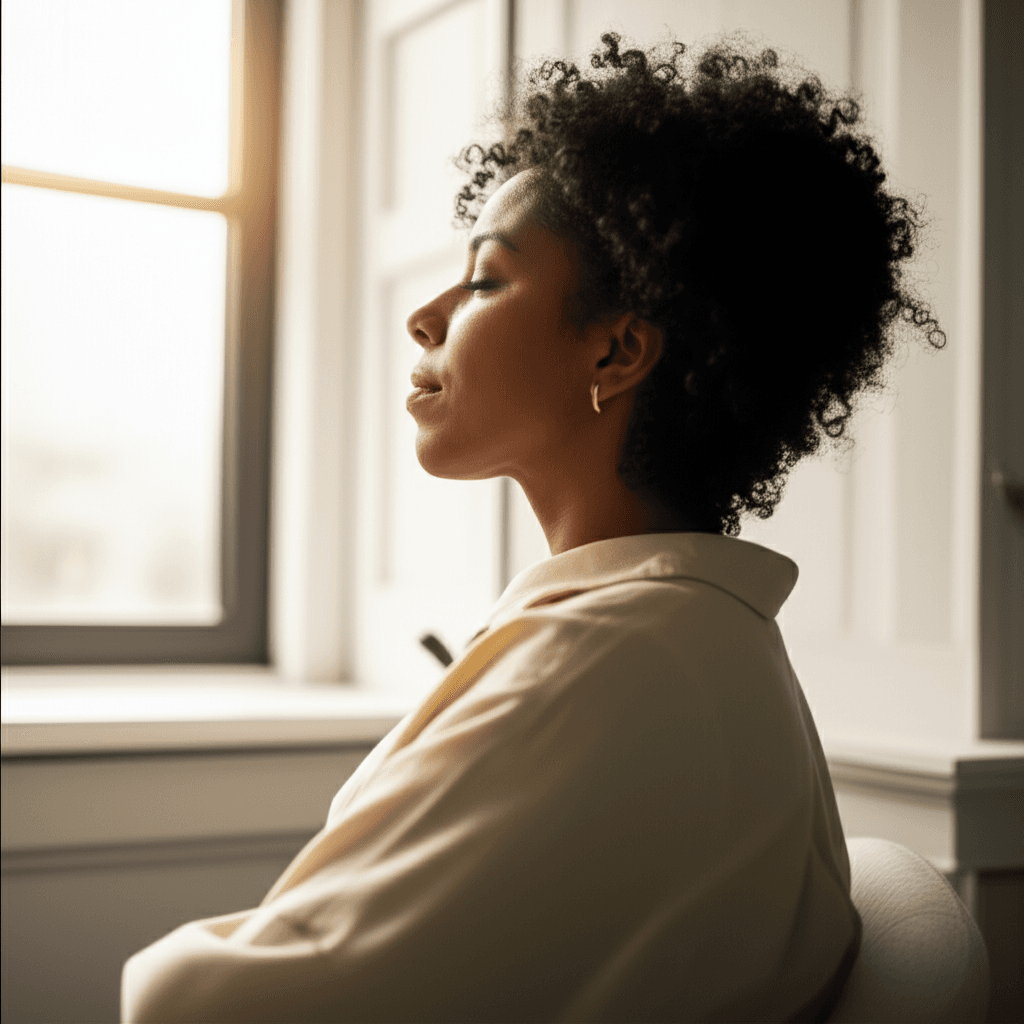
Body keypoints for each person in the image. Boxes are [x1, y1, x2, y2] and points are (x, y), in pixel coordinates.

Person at [122, 32, 943, 1022]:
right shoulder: (701, 640)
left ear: (618, 351)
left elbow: (192, 1006)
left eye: (481, 280)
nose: (424, 317)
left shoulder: (605, 663)